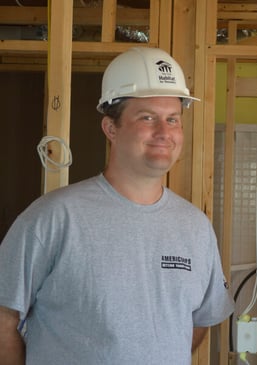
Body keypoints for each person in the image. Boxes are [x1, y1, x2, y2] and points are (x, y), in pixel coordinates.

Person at [0, 47, 234, 365]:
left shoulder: (195, 226)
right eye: (147, 117)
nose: (164, 132)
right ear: (111, 128)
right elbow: (4, 321)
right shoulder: (53, 218)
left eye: (173, 119)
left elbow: (197, 321)